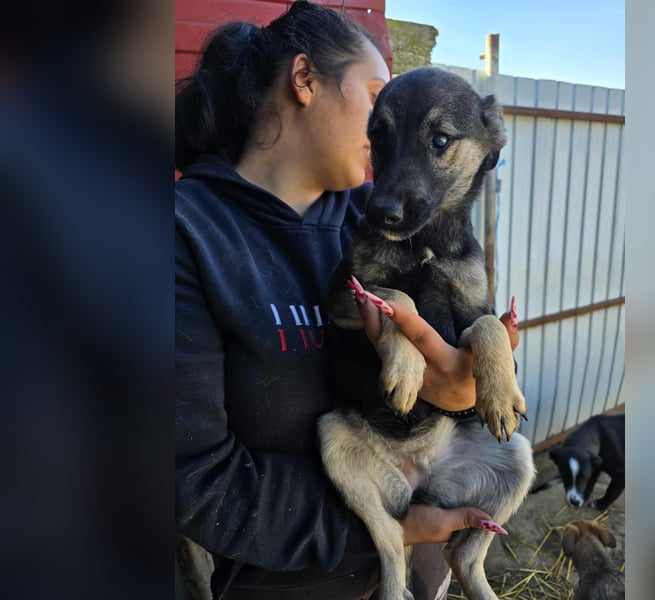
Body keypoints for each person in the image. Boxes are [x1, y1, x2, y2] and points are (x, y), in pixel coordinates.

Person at [175, 2, 519, 599]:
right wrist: (386, 533)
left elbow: (475, 386)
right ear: (305, 81)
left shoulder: (379, 218)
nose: (393, 135)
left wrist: (464, 394)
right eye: (380, 101)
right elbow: (192, 478)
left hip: (424, 570)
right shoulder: (184, 238)